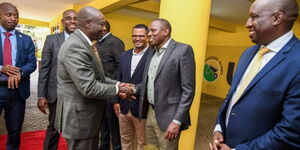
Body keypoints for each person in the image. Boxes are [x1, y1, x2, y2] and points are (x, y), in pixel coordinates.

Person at [210, 0, 300, 149]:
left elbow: (291, 132)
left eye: (254, 17)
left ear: (277, 18)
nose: (247, 23)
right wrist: (219, 128)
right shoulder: (248, 53)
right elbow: (232, 96)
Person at [55, 6, 133, 150]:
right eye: (101, 24)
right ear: (88, 24)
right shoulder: (76, 47)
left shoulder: (84, 43)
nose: (104, 29)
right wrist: (118, 88)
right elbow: (89, 87)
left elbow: (99, 77)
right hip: (80, 120)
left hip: (86, 118)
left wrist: (119, 83)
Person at [136, 19, 196, 150]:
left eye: (153, 30)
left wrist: (177, 121)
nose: (149, 34)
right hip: (150, 112)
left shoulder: (183, 50)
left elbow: (188, 90)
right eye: (148, 31)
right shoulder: (151, 52)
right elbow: (148, 82)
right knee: (151, 148)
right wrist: (131, 89)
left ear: (165, 32)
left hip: (170, 116)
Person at [37, 9, 77, 150]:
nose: (72, 21)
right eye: (69, 18)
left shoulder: (84, 41)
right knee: (54, 128)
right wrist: (41, 95)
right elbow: (45, 68)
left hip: (77, 95)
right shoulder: (52, 40)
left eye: (75, 18)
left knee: (75, 130)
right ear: (63, 22)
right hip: (56, 94)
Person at [0, 2, 37, 149]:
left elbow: (32, 63)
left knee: (15, 130)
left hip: (17, 91)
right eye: (9, 15)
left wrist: (20, 72)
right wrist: (2, 68)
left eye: (16, 16)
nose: (13, 19)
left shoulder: (26, 39)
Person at [112, 24, 151, 150]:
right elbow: (119, 78)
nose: (137, 38)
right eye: (134, 36)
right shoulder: (125, 55)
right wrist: (116, 101)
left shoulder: (153, 55)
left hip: (142, 108)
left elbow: (151, 82)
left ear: (147, 36)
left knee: (142, 142)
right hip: (123, 105)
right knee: (125, 138)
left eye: (141, 36)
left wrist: (132, 91)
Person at [95, 21, 124, 150]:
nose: (100, 32)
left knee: (114, 127)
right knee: (103, 126)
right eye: (98, 30)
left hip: (111, 91)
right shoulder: (96, 43)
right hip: (99, 90)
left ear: (106, 29)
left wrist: (115, 94)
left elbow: (120, 67)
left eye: (103, 30)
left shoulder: (115, 42)